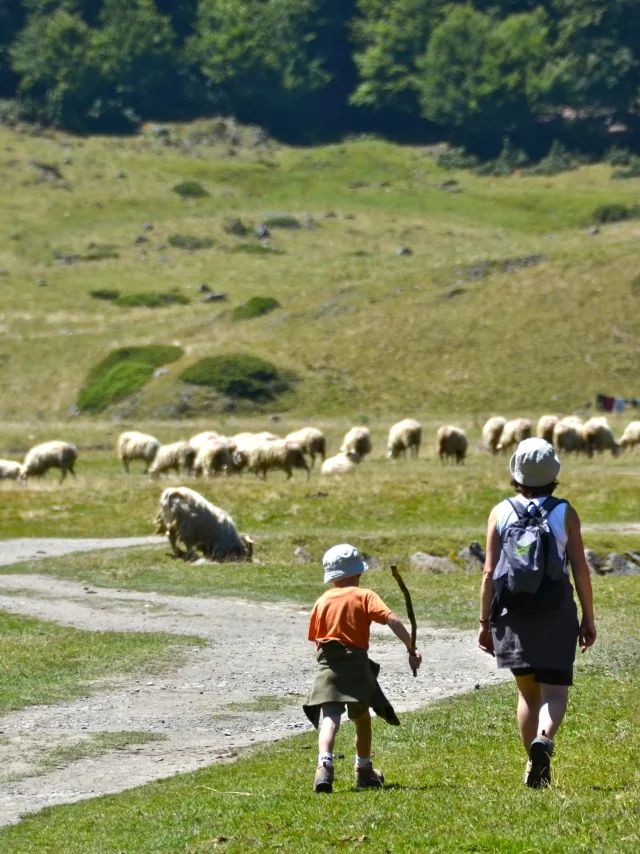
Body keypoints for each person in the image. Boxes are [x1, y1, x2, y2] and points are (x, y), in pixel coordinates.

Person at [478, 438, 597, 788]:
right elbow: (580, 569)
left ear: (517, 474)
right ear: (553, 474)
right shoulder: (565, 512)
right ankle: (544, 740)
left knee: (527, 693)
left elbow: (489, 573)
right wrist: (588, 618)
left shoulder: (500, 513)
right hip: (556, 612)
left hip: (512, 615)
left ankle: (533, 765)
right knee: (555, 693)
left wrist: (485, 623)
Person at [303, 544, 422, 794]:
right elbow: (391, 618)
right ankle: (364, 771)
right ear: (358, 573)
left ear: (332, 576)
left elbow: (317, 639)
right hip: (357, 666)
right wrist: (410, 647)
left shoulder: (322, 601)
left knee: (330, 719)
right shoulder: (365, 596)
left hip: (329, 665)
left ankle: (324, 766)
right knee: (362, 718)